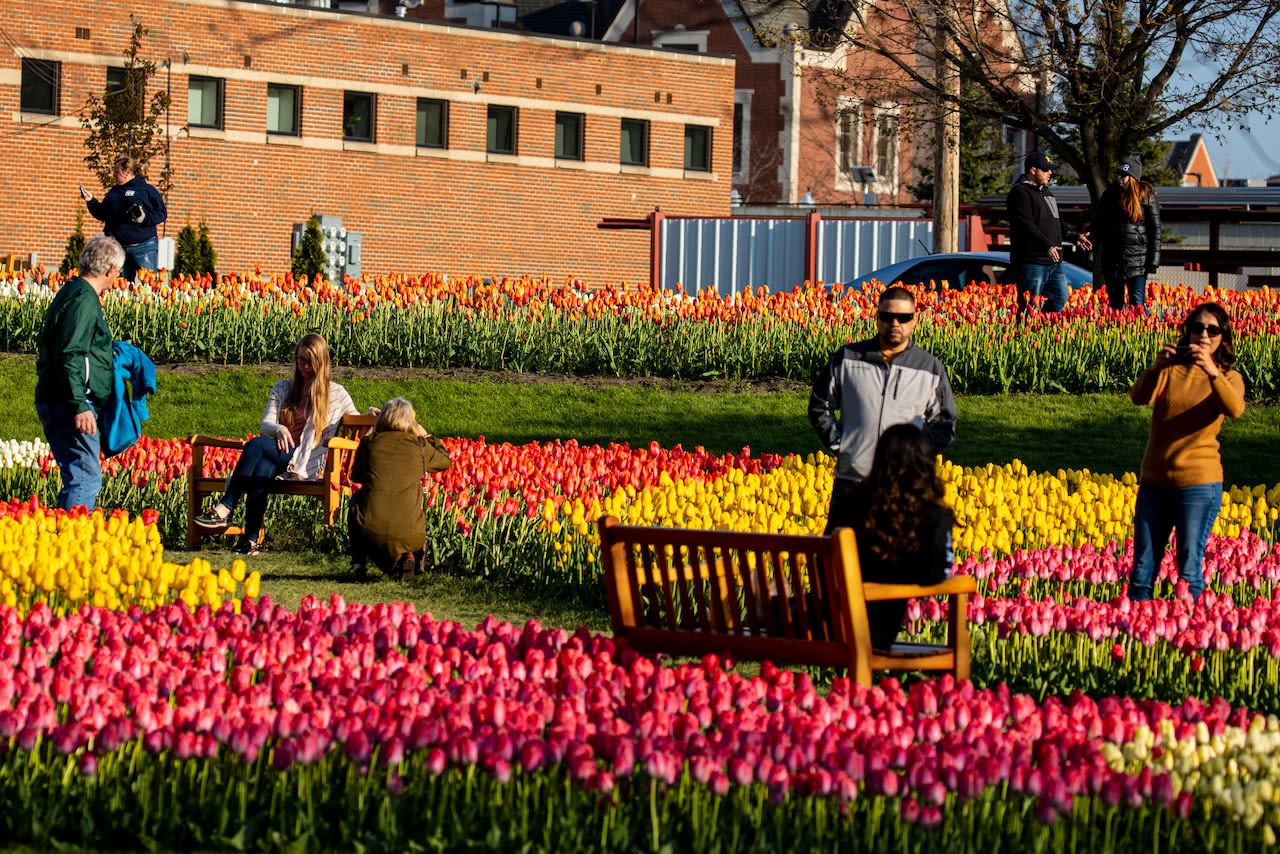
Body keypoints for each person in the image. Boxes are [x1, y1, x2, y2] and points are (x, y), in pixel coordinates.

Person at [809, 285, 957, 534]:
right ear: (877, 318)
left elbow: (945, 423)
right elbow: (819, 405)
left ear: (914, 321)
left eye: (904, 317)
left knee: (895, 566)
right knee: (837, 563)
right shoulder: (848, 358)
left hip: (904, 487)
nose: (895, 323)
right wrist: (841, 446)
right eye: (887, 316)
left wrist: (916, 459)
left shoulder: (930, 368)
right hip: (853, 482)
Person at [194, 333, 358, 554]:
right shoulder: (283, 388)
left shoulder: (336, 393)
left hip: (304, 459)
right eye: (301, 359)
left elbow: (355, 416)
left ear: (321, 362)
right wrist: (279, 428)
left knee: (257, 446)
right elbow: (266, 424)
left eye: (310, 361)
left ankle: (226, 506)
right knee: (261, 470)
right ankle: (251, 541)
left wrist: (373, 414)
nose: (305, 366)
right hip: (279, 455)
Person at [1127, 303, 1245, 601]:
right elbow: (1139, 397)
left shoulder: (1229, 378)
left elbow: (1235, 409)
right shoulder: (1170, 371)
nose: (1204, 334)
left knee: (1188, 566)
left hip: (1198, 484)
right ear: (1188, 331)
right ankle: (1133, 633)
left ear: (1223, 337)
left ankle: (1190, 635)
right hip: (1155, 482)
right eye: (1197, 328)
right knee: (1142, 567)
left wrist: (1211, 371)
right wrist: (1155, 367)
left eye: (1213, 330)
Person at [34, 235, 125, 511]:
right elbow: (71, 353)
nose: (118, 276)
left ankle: (60, 541)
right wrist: (79, 405)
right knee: (85, 478)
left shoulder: (72, 291)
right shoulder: (84, 300)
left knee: (78, 476)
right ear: (109, 270)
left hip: (59, 397)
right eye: (118, 271)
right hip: (71, 402)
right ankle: (70, 545)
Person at [846, 423, 955, 650]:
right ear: (926, 465)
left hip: (828, 619)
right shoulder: (934, 517)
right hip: (874, 631)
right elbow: (935, 574)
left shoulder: (852, 503)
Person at [348, 398, 452, 582]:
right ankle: (409, 555)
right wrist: (427, 436)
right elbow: (445, 461)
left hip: (368, 530)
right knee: (410, 508)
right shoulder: (419, 445)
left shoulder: (370, 443)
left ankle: (358, 563)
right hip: (412, 531)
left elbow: (356, 476)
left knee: (355, 500)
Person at [1006, 150, 1091, 313]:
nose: (1050, 173)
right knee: (1029, 305)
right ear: (1033, 170)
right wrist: (1047, 245)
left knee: (1060, 297)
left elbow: (1057, 222)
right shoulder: (1020, 193)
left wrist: (1075, 237)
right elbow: (1025, 225)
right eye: (1046, 169)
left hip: (1053, 262)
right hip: (1032, 261)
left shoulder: (1047, 193)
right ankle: (1025, 333)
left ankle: (1043, 327)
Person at [1084, 155, 1160, 310]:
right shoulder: (1109, 195)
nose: (1119, 177)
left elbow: (1155, 230)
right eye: (1118, 173)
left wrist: (1153, 260)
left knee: (1137, 301)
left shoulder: (1146, 196)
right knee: (1115, 303)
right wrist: (1092, 253)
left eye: (1123, 174)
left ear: (1132, 177)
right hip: (1112, 259)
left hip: (1138, 259)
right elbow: (1097, 225)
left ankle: (1141, 332)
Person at [79, 154, 167, 282]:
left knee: (148, 284)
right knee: (120, 286)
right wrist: (91, 201)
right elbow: (102, 213)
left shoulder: (147, 190)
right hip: (118, 248)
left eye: (116, 172)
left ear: (126, 172)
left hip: (144, 246)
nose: (113, 175)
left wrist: (144, 218)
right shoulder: (114, 192)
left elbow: (162, 214)